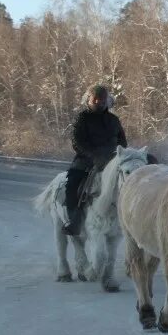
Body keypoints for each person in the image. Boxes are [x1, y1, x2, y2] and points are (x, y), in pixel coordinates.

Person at [63, 84, 127, 236]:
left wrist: (115, 156)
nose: (99, 102)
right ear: (90, 100)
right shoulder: (82, 118)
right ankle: (74, 222)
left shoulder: (114, 120)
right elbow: (77, 142)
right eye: (96, 99)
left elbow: (122, 142)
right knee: (72, 185)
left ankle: (131, 218)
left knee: (128, 180)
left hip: (112, 161)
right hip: (86, 161)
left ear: (107, 101)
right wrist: (94, 156)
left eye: (102, 99)